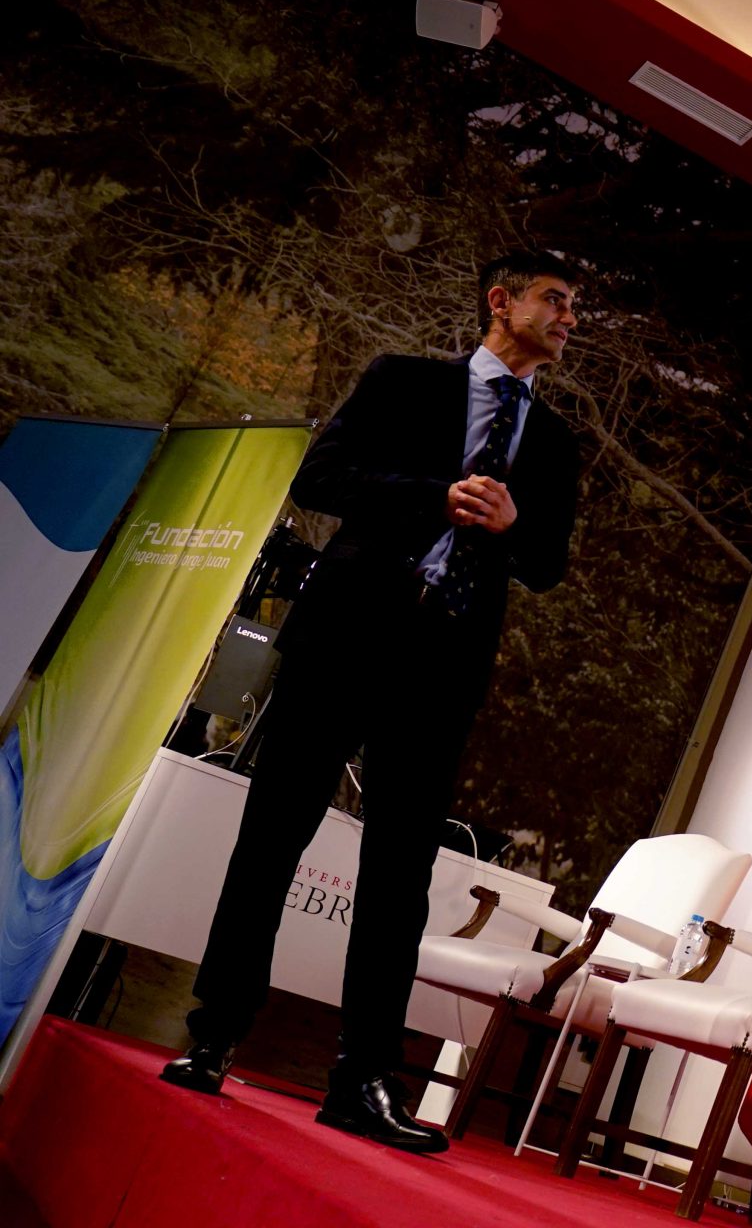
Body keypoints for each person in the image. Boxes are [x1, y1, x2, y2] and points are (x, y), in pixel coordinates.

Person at [160, 252, 583, 1154]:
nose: (568, 319)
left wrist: (513, 527)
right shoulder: (404, 382)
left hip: (443, 666)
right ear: (501, 301)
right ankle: (213, 1037)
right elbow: (320, 477)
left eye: (573, 307)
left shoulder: (553, 441)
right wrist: (434, 495)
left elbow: (548, 563)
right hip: (344, 639)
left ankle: (362, 1082)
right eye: (555, 300)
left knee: (401, 877)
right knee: (272, 837)